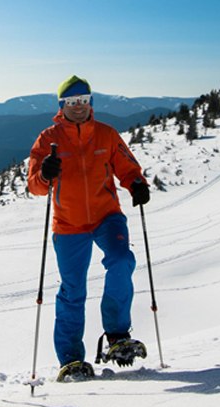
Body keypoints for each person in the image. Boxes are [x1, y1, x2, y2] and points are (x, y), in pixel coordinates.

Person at [27, 75, 150, 381]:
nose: (78, 107)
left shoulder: (106, 135)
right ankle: (70, 359)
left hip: (106, 215)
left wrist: (136, 183)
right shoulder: (48, 139)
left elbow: (126, 166)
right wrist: (45, 174)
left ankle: (118, 336)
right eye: (72, 102)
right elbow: (35, 186)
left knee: (122, 261)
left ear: (91, 103)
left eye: (83, 101)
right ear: (61, 106)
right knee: (73, 290)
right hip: (68, 224)